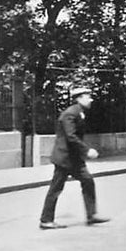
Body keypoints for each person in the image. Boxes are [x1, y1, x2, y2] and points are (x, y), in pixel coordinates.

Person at [39, 86, 109, 229]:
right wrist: (87, 150)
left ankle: (91, 215)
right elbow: (71, 137)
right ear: (79, 98)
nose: (90, 99)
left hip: (74, 159)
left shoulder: (79, 112)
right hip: (64, 158)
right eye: (87, 96)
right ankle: (46, 220)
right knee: (56, 188)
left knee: (88, 181)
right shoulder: (70, 114)